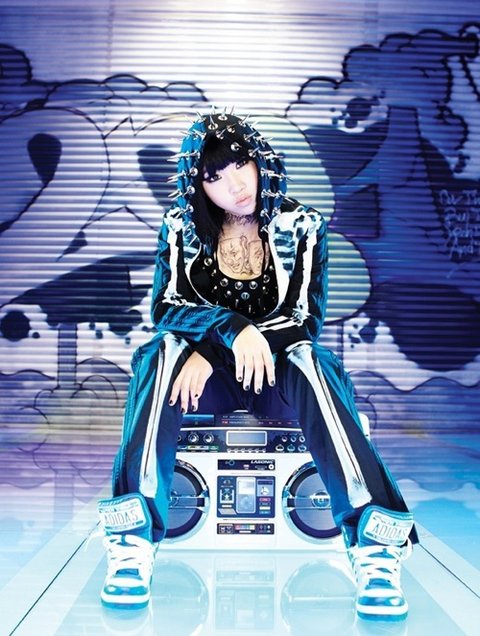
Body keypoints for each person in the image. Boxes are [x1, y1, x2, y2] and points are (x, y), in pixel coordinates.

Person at [97, 111, 418, 621]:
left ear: (260, 159)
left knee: (311, 358)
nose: (235, 185)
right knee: (161, 353)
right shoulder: (181, 227)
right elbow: (166, 308)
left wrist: (228, 344)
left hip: (277, 378)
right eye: (214, 176)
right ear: (198, 186)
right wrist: (228, 329)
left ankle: (374, 546)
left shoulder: (303, 225)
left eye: (240, 164)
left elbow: (304, 319)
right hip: (201, 387)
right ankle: (132, 541)